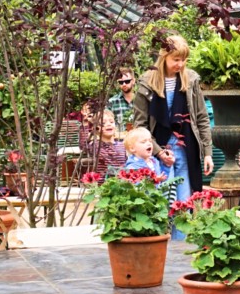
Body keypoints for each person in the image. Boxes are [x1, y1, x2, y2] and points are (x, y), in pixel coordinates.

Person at [132, 33, 214, 213]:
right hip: (156, 154)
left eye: (184, 60)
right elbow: (140, 125)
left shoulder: (190, 80)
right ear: (164, 57)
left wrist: (207, 153)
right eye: (176, 59)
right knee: (162, 205)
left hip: (185, 151)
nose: (181, 64)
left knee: (185, 205)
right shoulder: (147, 83)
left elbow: (201, 118)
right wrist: (158, 152)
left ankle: (182, 232)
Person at [79, 109, 126, 177]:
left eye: (111, 122)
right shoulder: (95, 146)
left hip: (120, 181)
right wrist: (85, 123)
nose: (108, 124)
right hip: (103, 182)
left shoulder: (122, 145)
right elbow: (83, 145)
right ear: (96, 128)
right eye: (103, 123)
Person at [107, 67, 136, 134]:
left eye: (127, 81)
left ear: (133, 81)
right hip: (119, 138)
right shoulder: (112, 101)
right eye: (121, 82)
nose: (124, 84)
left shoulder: (140, 101)